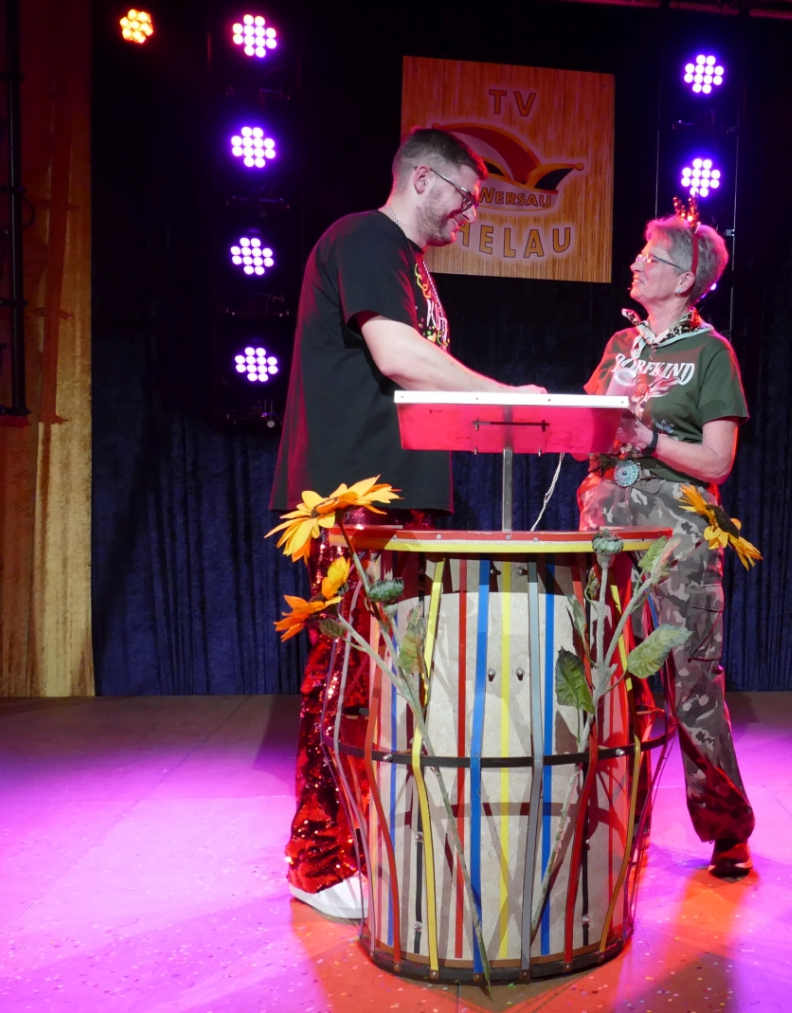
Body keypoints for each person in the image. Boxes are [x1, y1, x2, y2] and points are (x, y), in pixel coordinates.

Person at [271, 127, 543, 920]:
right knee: (345, 678)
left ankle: (361, 840)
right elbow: (396, 355)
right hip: (356, 499)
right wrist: (504, 398)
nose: (470, 215)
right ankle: (318, 861)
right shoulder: (367, 237)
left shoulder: (412, 265)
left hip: (396, 499)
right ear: (423, 179)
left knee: (388, 682)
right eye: (466, 197)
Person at [577, 207, 757, 879]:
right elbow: (584, 431)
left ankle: (725, 826)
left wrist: (648, 438)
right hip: (606, 523)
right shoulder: (620, 346)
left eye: (649, 257)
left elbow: (717, 461)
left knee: (691, 680)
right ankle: (618, 822)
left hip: (678, 524)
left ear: (684, 278)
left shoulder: (711, 352)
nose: (635, 263)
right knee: (606, 678)